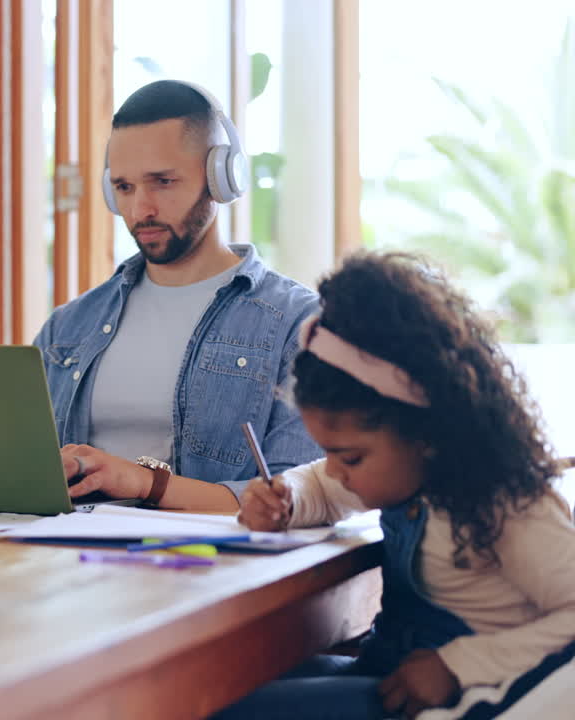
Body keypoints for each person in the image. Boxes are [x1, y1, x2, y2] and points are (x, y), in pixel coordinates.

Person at [217, 252, 575, 719]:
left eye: (349, 458)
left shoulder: (507, 503)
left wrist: (459, 665)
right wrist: (286, 500)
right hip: (388, 672)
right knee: (225, 685)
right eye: (328, 453)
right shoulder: (403, 473)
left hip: (465, 700)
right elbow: (320, 487)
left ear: (423, 433)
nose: (336, 471)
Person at [34, 79, 320, 511]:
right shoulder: (68, 327)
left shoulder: (298, 323)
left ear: (221, 178)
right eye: (124, 187)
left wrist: (145, 483)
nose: (140, 209)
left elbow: (297, 498)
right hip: (65, 547)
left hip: (212, 552)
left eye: (163, 182)